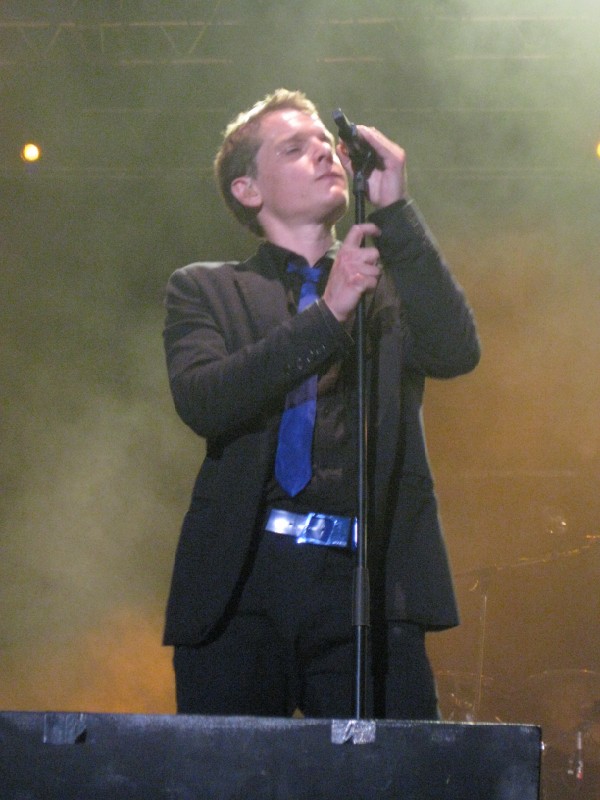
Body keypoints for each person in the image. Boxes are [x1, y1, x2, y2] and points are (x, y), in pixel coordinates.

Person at [162, 88, 480, 719]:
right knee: (232, 770)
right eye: (293, 148)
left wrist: (397, 212)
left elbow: (455, 351)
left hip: (367, 585)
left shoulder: (387, 286)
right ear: (248, 189)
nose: (323, 154)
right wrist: (329, 314)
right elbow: (204, 401)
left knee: (392, 769)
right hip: (243, 582)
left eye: (324, 143)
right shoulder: (206, 288)